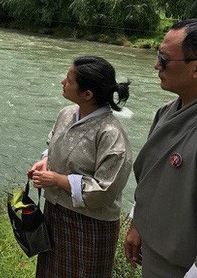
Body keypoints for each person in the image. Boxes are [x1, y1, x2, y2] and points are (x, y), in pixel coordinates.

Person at [125, 19, 197, 278]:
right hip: (154, 257)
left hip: (191, 269)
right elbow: (152, 179)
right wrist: (138, 224)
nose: (157, 65)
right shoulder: (166, 112)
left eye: (164, 59)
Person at [29, 56, 132, 278]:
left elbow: (105, 190)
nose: (62, 82)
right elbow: (54, 145)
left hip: (90, 225)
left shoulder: (111, 133)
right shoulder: (67, 113)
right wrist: (45, 162)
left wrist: (56, 180)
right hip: (55, 213)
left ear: (87, 94)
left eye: (68, 80)